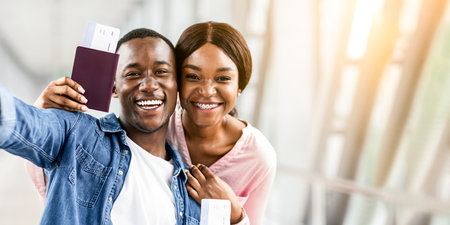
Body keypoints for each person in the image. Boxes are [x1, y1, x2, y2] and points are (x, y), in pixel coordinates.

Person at [27, 21, 276, 225]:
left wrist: (235, 214)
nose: (207, 91)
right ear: (177, 82)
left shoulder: (258, 157)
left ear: (241, 85)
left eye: (223, 78)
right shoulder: (155, 124)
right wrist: (43, 112)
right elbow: (69, 166)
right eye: (193, 76)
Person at [1, 28, 200, 225]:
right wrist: (37, 112)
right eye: (133, 74)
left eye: (161, 72)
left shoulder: (192, 189)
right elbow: (17, 122)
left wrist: (233, 215)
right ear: (113, 87)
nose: (149, 85)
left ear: (177, 85)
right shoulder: (78, 134)